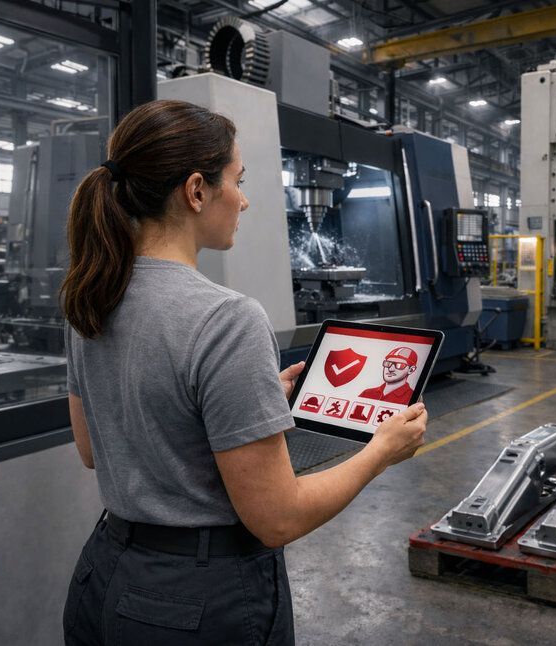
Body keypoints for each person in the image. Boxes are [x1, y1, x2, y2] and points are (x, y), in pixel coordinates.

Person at [60, 100, 428, 645]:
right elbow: (278, 519)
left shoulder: (90, 297)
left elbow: (97, 449)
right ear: (196, 191)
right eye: (238, 179)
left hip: (105, 575)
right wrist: (380, 451)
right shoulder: (227, 318)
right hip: (196, 603)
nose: (246, 199)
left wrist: (248, 399)